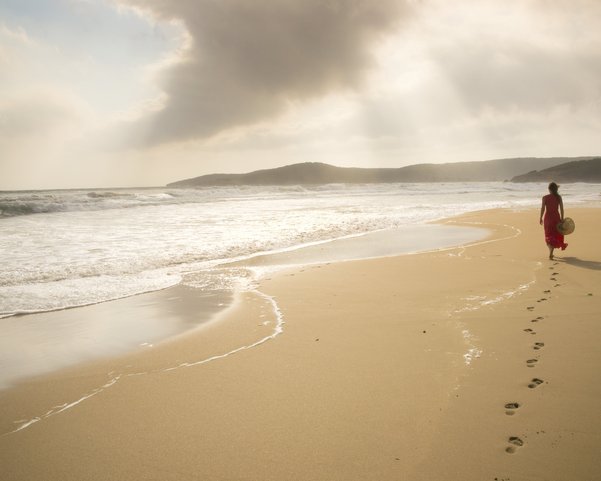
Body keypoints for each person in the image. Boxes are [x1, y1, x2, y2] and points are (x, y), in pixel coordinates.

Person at [539, 182, 567, 259]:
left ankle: (550, 250)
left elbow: (542, 209)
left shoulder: (545, 197)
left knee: (548, 236)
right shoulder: (559, 197)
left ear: (549, 189)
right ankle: (551, 251)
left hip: (548, 218)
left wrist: (540, 218)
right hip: (556, 218)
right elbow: (561, 209)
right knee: (555, 235)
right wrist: (562, 218)